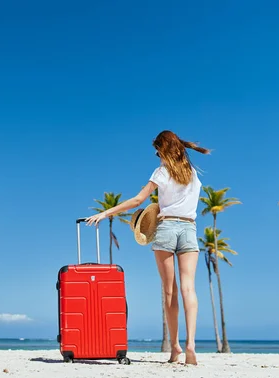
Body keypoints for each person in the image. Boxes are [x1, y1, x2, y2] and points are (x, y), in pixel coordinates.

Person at [85, 130, 209, 365]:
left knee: (169, 291)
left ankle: (175, 348)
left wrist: (105, 213)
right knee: (189, 289)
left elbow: (137, 200)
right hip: (190, 229)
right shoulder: (193, 174)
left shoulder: (161, 173)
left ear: (164, 150)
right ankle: (191, 343)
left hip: (167, 228)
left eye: (157, 151)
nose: (157, 155)